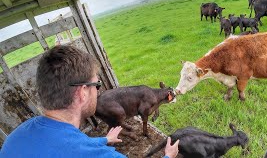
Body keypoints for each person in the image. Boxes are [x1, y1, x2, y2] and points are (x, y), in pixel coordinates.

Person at [0, 45, 179, 158]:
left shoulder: (16, 136)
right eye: (97, 85)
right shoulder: (98, 155)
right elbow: (77, 149)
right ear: (82, 92)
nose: (98, 90)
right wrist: (169, 156)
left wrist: (103, 139)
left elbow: (71, 144)